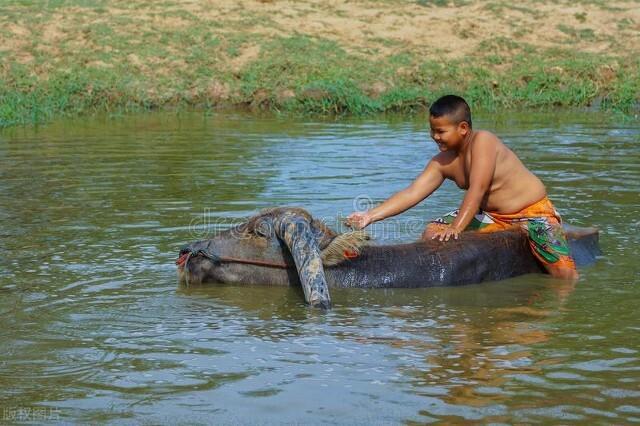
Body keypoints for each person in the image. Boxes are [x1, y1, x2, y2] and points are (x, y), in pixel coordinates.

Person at [347, 95, 578, 280]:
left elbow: (477, 189)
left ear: (463, 128)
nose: (434, 137)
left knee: (564, 275)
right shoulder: (443, 162)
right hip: (494, 217)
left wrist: (457, 227)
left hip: (532, 214)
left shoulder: (484, 142)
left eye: (441, 131)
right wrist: (370, 216)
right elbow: (412, 193)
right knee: (432, 231)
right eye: (432, 130)